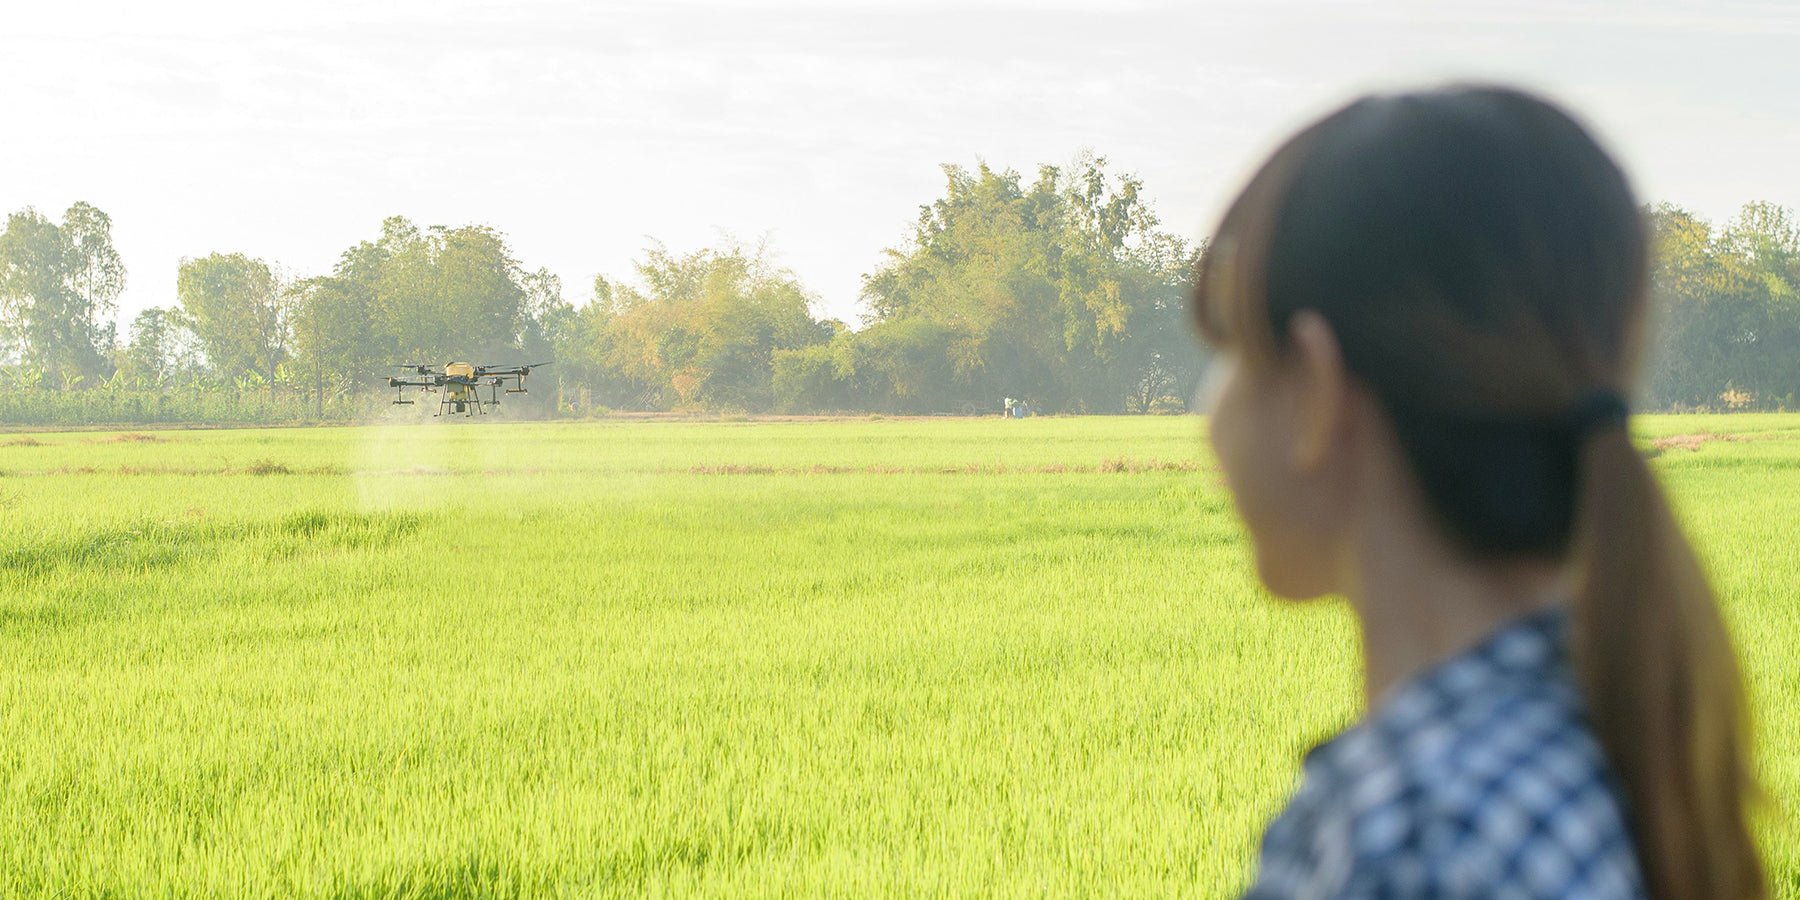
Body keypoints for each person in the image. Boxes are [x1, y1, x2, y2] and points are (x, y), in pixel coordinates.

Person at [1192, 86, 1763, 898]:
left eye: (1234, 350)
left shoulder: (1411, 838)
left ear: (1318, 389)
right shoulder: (1599, 747)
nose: (1211, 413)